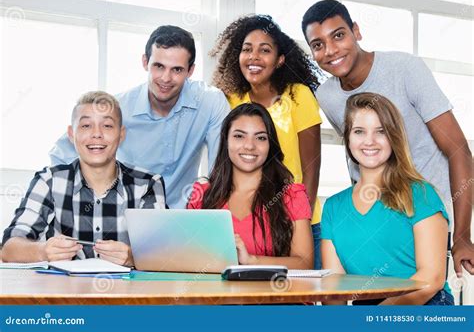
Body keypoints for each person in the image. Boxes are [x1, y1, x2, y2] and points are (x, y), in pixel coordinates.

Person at [302, 0, 473, 276]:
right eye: (318, 44)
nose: (331, 50)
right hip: (373, 223)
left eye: (339, 35)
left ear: (356, 31)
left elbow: (458, 151)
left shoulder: (405, 69)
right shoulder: (327, 95)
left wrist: (462, 236)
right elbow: (361, 155)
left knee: (422, 299)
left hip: (423, 218)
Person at [50, 25, 230, 209]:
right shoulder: (117, 109)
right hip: (126, 219)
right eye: (158, 67)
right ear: (145, 62)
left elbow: (222, 170)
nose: (166, 78)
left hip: (182, 222)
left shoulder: (210, 102)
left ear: (190, 71)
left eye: (176, 70)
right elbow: (61, 154)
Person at [2, 91, 166, 266]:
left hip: (125, 292)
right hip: (61, 292)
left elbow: (165, 254)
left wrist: (132, 257)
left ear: (121, 134)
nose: (97, 134)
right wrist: (43, 251)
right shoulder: (49, 181)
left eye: (108, 126)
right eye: (86, 125)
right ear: (72, 135)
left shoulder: (148, 184)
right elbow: (8, 249)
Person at [210, 15, 323, 268]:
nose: (254, 57)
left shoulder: (298, 96)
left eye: (265, 50)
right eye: (247, 49)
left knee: (300, 293)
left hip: (296, 219)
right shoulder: (230, 101)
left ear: (280, 59)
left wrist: (298, 217)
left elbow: (311, 165)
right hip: (251, 222)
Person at [321, 93, 453, 305]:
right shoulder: (333, 207)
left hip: (425, 306)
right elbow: (335, 289)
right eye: (359, 132)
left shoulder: (421, 194)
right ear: (348, 138)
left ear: (393, 137)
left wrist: (376, 318)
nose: (369, 141)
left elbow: (432, 278)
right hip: (365, 310)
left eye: (380, 132)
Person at [187, 103, 313, 269]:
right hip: (213, 294)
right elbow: (186, 259)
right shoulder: (201, 195)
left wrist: (251, 261)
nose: (249, 146)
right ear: (225, 140)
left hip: (271, 294)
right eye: (239, 136)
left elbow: (305, 263)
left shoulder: (291, 195)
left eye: (260, 137)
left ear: (270, 145)